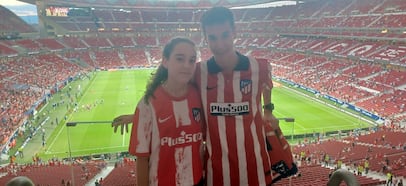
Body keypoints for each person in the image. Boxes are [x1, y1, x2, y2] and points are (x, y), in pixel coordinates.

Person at [113, 7, 296, 186]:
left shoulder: (260, 67)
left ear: (234, 32)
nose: (220, 45)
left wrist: (268, 109)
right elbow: (171, 86)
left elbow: (266, 84)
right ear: (206, 38)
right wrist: (139, 116)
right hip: (215, 174)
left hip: (256, 170)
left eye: (225, 35)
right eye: (213, 38)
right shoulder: (199, 72)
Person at [127, 37, 204, 185]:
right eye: (180, 59)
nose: (187, 65)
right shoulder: (147, 104)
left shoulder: (199, 96)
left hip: (197, 181)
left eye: (192, 60)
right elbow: (142, 159)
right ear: (165, 61)